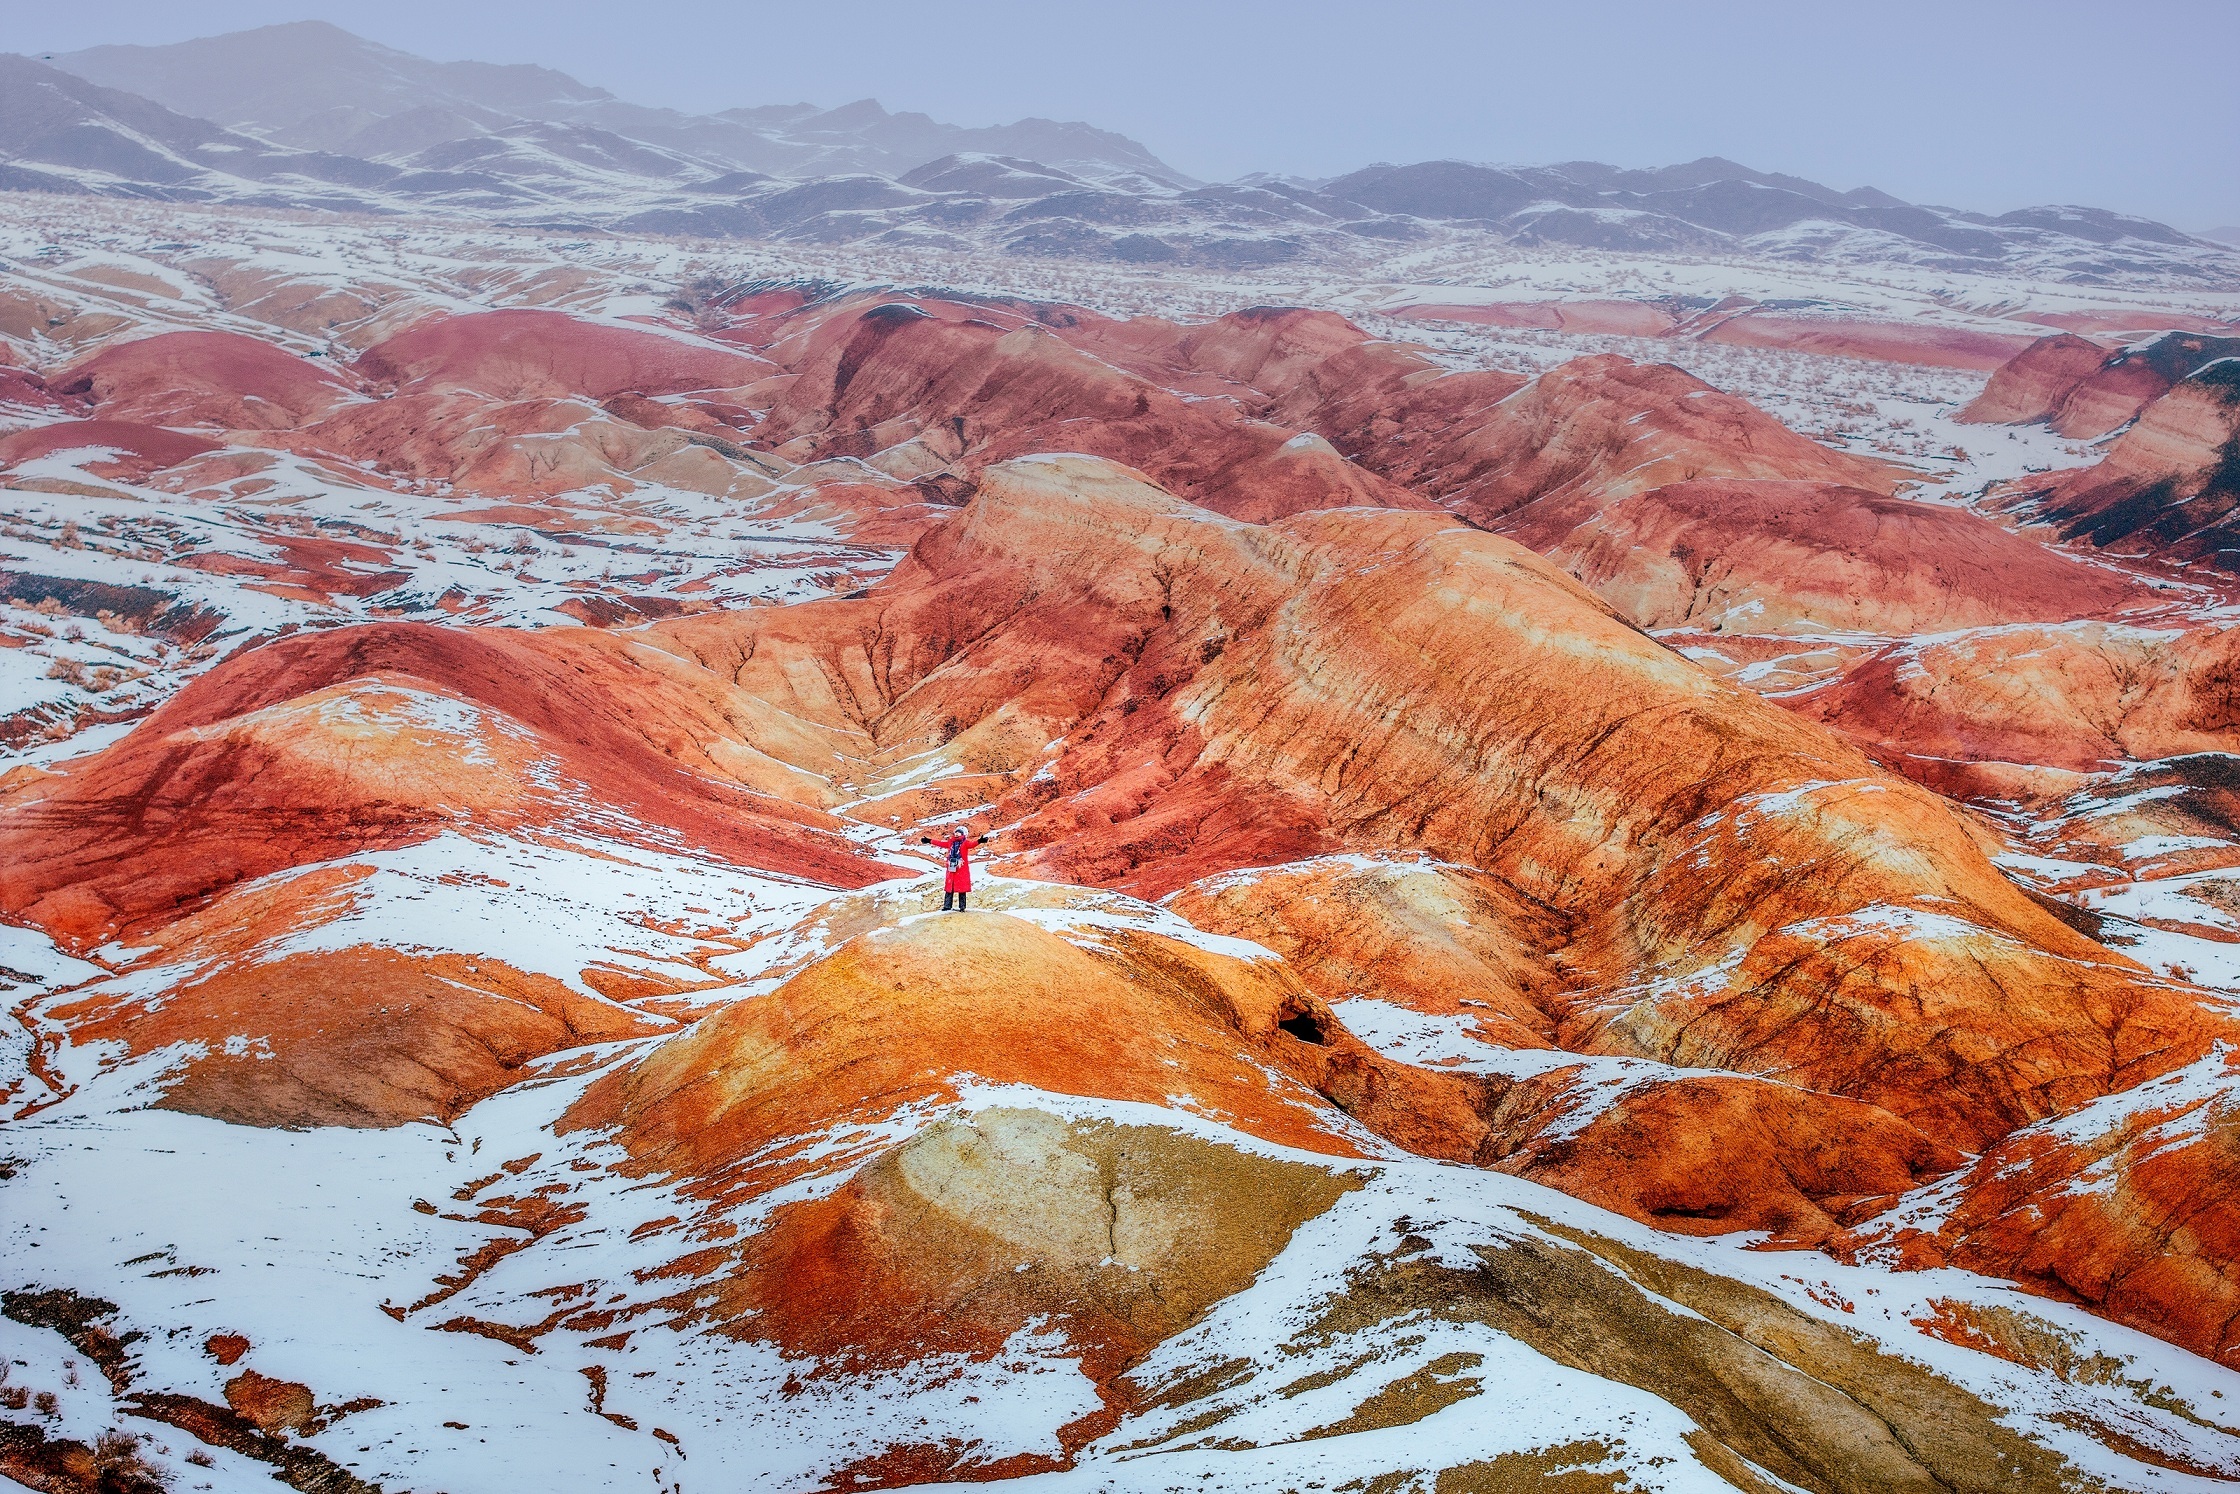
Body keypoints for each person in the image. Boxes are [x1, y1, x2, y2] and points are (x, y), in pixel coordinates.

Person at [919, 826, 997, 911]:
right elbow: (940, 843)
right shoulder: (950, 843)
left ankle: (962, 907)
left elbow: (972, 844)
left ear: (963, 834)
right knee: (950, 887)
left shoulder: (965, 843)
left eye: (959, 832)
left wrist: (979, 841)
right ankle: (947, 906)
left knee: (962, 888)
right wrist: (929, 841)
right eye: (956, 832)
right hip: (952, 868)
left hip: (961, 869)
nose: (956, 833)